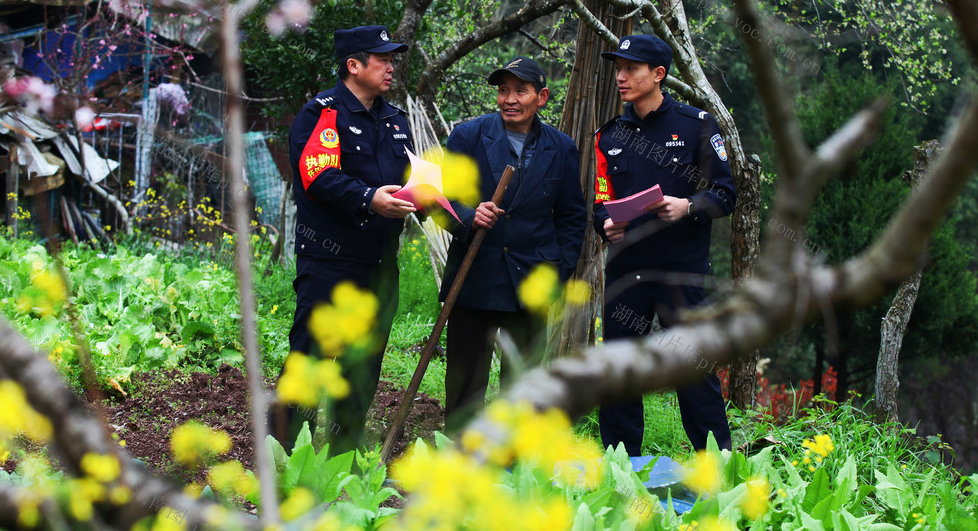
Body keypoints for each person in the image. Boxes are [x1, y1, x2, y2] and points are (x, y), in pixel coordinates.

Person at [593, 34, 737, 454]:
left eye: (631, 68)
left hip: (681, 272)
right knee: (618, 370)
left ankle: (717, 467)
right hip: (626, 272)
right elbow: (601, 200)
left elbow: (725, 195)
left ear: (658, 74)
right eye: (618, 68)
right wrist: (605, 224)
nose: (621, 77)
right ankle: (620, 469)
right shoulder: (609, 136)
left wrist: (688, 205)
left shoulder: (696, 125)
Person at [279, 24, 417, 453]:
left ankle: (341, 463)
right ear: (353, 65)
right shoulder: (324, 113)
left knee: (362, 369)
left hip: (379, 265)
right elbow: (317, 175)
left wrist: (428, 196)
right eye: (383, 59)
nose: (391, 67)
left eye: (393, 59)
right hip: (329, 263)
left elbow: (408, 178)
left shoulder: (395, 120)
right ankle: (280, 458)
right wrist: (368, 198)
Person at [440, 56, 587, 429]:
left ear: (542, 96)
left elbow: (571, 216)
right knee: (465, 382)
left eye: (520, 90)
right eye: (503, 90)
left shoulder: (561, 147)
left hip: (532, 283)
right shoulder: (467, 137)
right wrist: (470, 217)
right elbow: (437, 201)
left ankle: (513, 469)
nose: (509, 99)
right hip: (475, 276)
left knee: (521, 386)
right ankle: (461, 461)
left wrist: (558, 271)